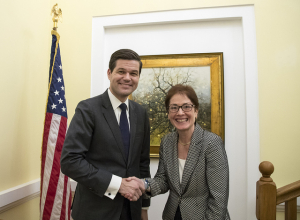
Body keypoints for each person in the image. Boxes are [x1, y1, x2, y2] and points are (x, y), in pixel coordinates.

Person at [60, 49, 151, 220]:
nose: (127, 78)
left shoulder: (141, 113)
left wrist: (144, 207)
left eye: (134, 73)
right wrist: (118, 185)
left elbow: (142, 163)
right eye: (121, 71)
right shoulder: (88, 109)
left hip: (132, 211)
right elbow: (70, 161)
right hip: (95, 211)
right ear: (109, 73)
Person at [127, 84, 230, 220]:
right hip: (173, 215)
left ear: (196, 111)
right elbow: (163, 180)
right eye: (174, 108)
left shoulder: (211, 143)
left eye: (186, 106)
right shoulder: (167, 142)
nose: (180, 113)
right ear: (168, 113)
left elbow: (219, 199)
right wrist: (143, 184)